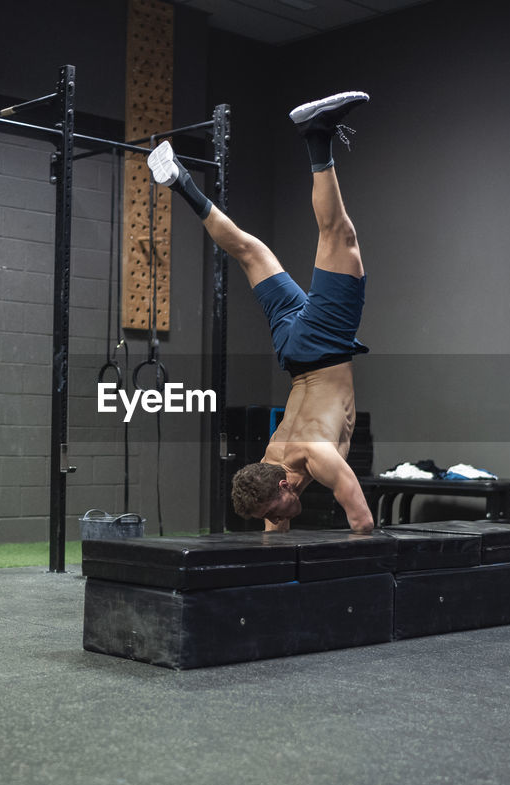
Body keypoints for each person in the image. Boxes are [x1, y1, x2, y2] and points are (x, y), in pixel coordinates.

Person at [147, 91, 374, 533]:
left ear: (285, 486)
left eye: (273, 509)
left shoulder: (316, 458)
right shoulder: (270, 464)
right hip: (292, 350)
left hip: (323, 346)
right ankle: (180, 181)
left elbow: (362, 524)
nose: (273, 518)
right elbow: (272, 525)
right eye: (270, 514)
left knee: (338, 236)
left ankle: (317, 135)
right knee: (250, 252)